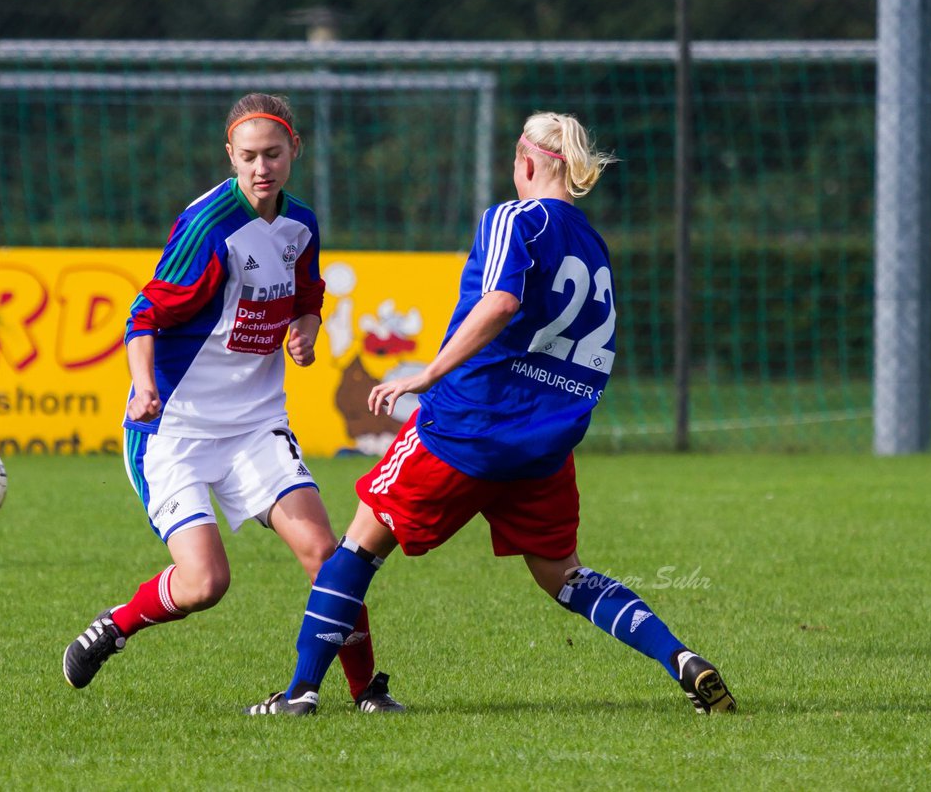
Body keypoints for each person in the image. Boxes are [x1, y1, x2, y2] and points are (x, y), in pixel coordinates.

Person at [246, 112, 736, 716]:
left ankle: (300, 692)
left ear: (527, 164)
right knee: (566, 576)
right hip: (542, 447)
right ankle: (680, 657)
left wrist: (427, 374)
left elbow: (501, 300)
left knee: (358, 545)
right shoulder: (593, 244)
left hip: (466, 428)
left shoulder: (514, 217)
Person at [62, 93, 403, 713]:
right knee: (205, 583)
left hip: (255, 423)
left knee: (327, 553)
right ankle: (115, 626)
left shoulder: (300, 222)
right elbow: (144, 316)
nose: (260, 168)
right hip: (175, 431)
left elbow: (308, 291)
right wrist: (143, 388)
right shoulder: (208, 227)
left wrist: (306, 325)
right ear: (230, 155)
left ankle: (366, 693)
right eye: (247, 157)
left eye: (273, 154)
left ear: (294, 150)